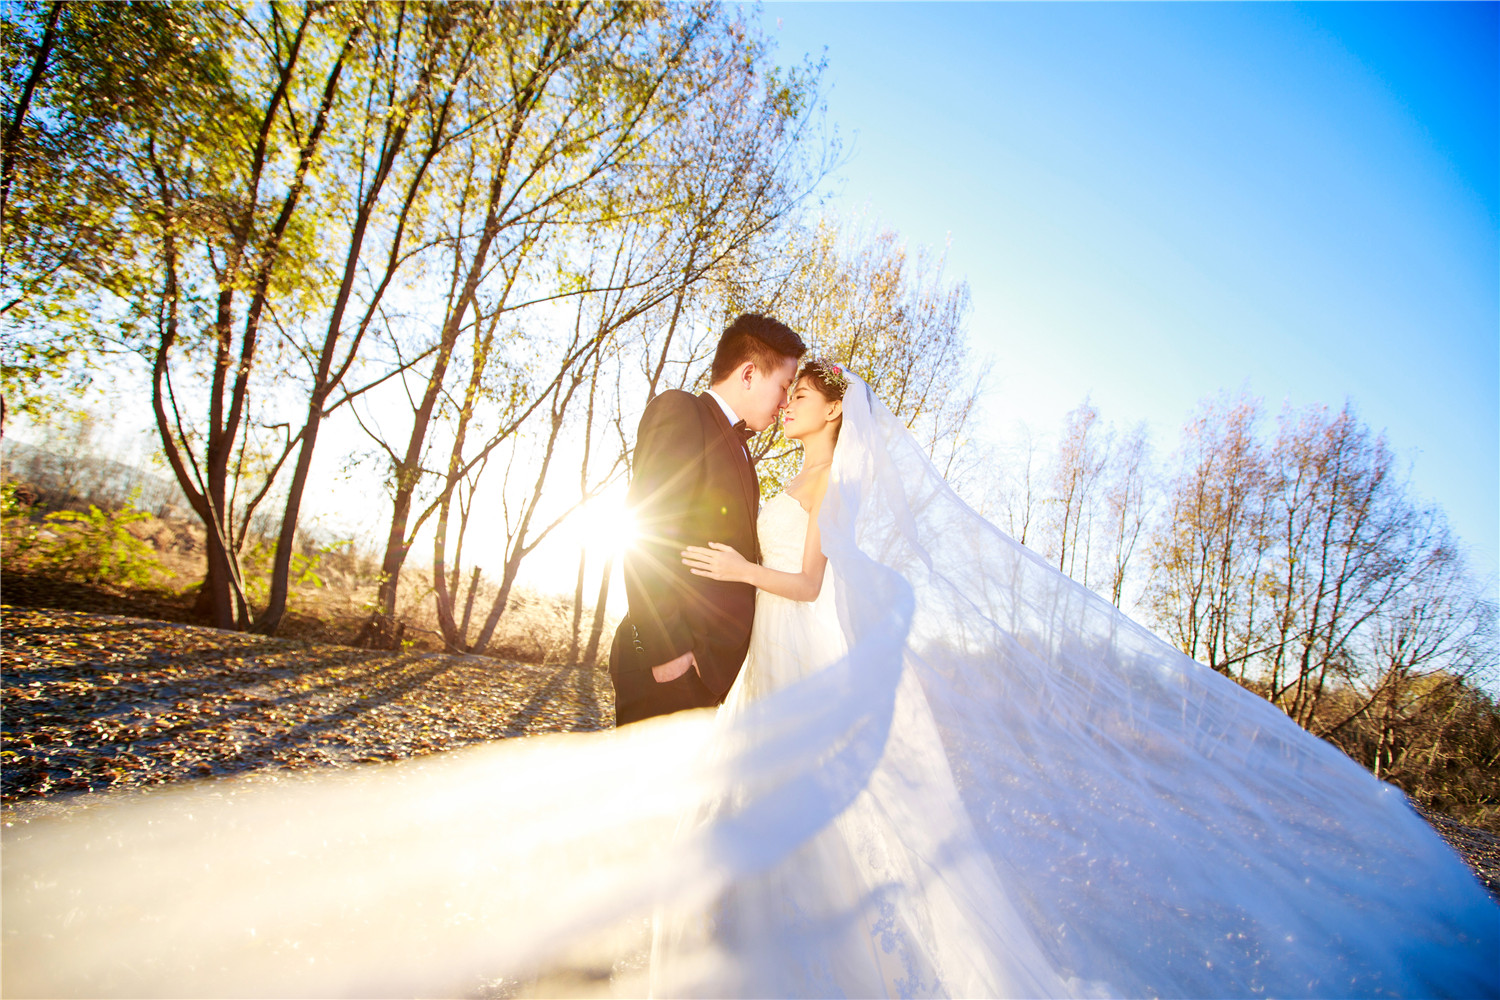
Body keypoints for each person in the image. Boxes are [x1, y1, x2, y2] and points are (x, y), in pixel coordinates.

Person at [5, 367, 1496, 999]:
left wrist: (752, 578)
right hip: (761, 661)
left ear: (832, 413)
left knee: (773, 805)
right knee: (752, 807)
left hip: (790, 640)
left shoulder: (833, 479)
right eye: (799, 406)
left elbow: (838, 580)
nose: (799, 424)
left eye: (812, 408)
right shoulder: (776, 458)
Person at [609, 312, 804, 725]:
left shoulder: (743, 451)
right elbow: (647, 527)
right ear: (749, 374)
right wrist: (668, 651)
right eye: (784, 386)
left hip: (707, 678)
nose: (785, 402)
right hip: (669, 670)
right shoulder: (681, 410)